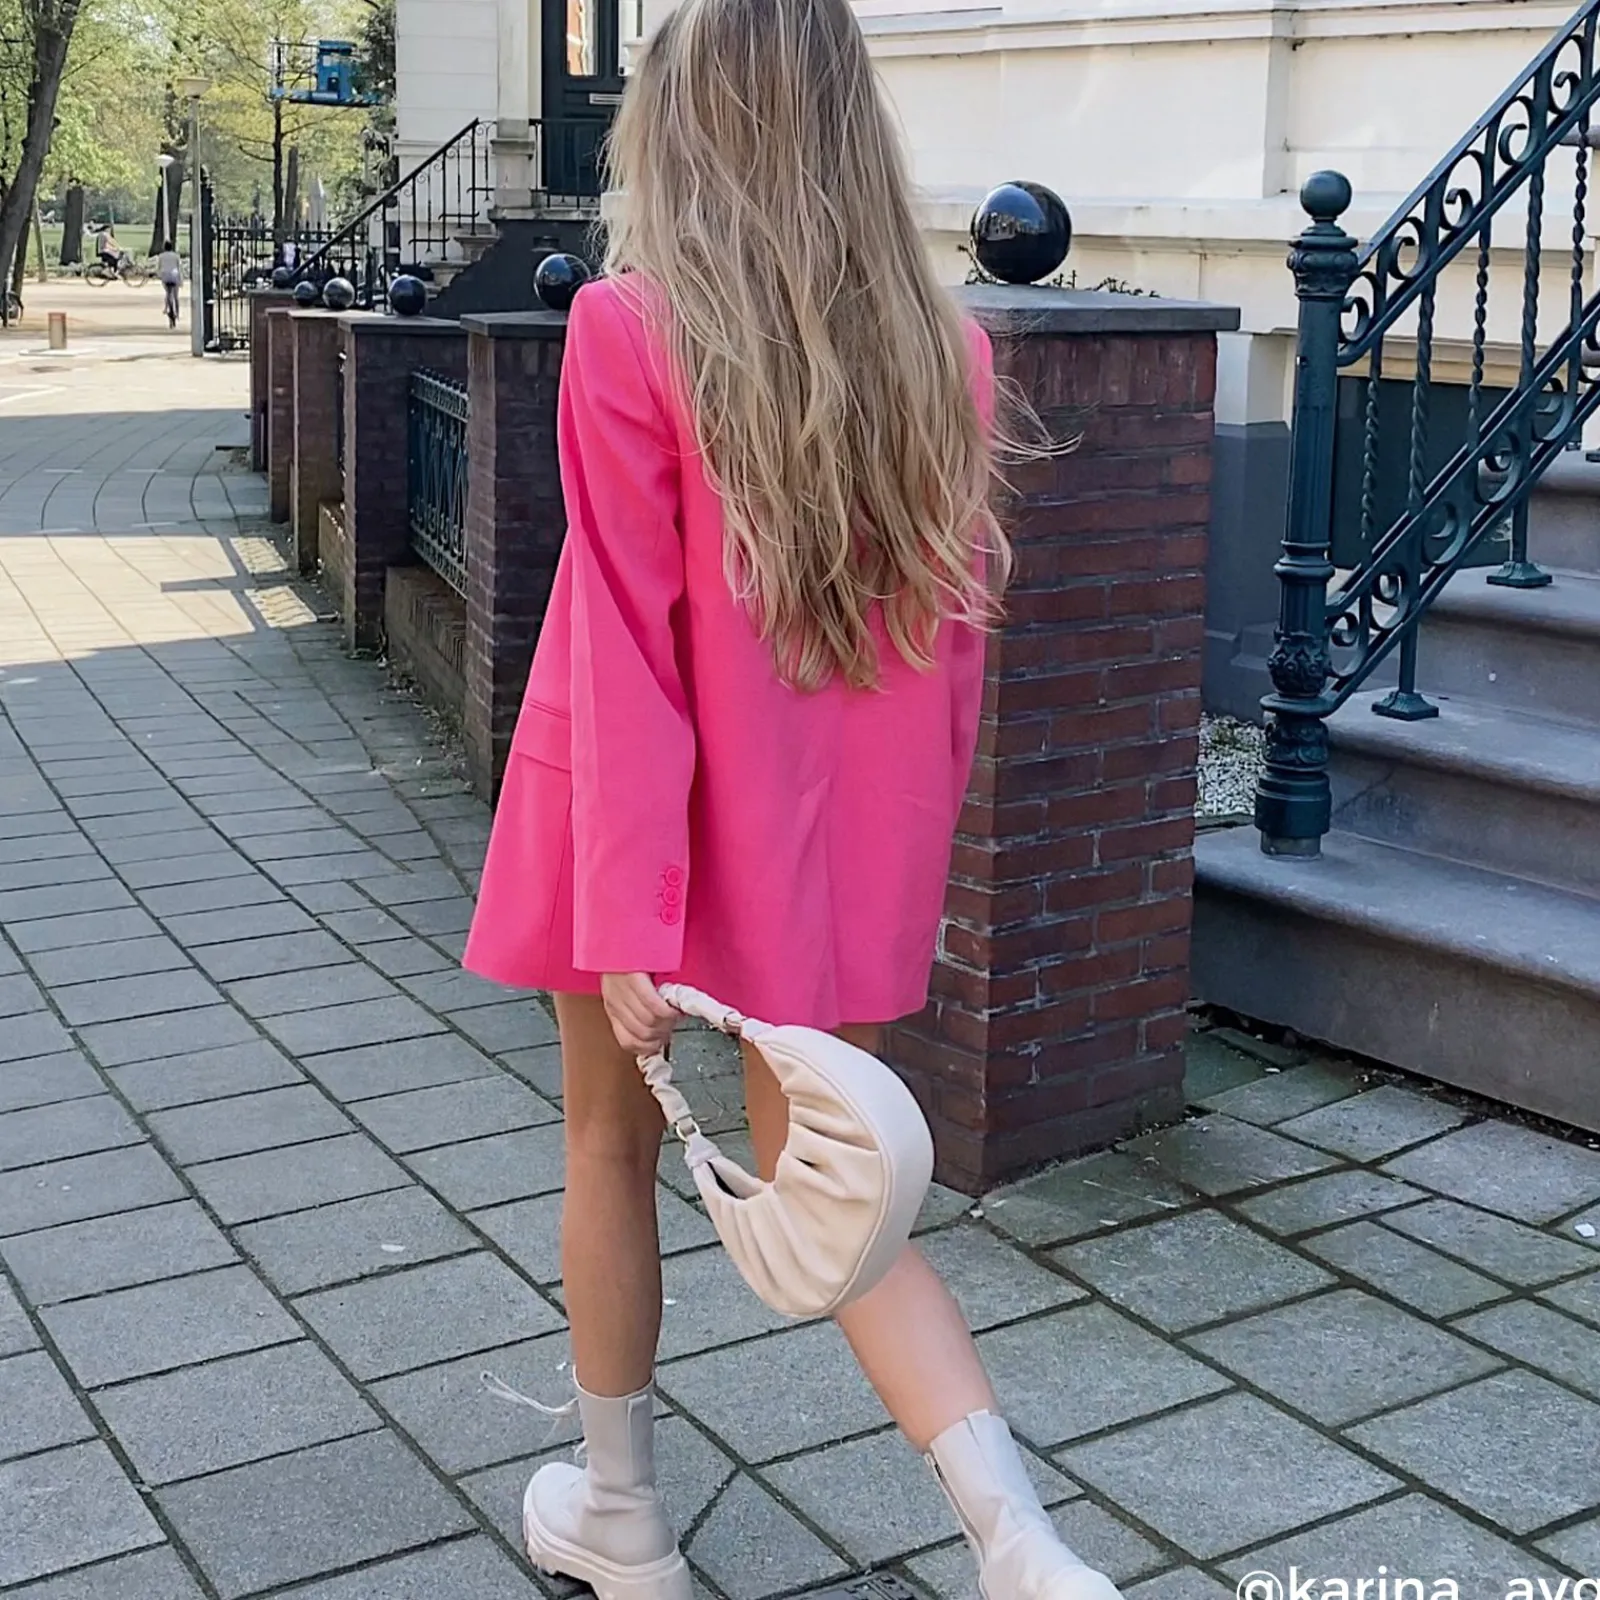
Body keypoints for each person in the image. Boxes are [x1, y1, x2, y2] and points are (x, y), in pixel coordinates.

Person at [462, 2, 1121, 1598]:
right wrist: (890, 896)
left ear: (687, 123)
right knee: (846, 1202)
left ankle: (621, 1515)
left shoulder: (630, 329)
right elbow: (946, 667)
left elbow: (627, 644)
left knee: (608, 1149)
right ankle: (1023, 1545)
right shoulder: (948, 353)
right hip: (830, 858)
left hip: (628, 823)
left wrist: (631, 912)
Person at [156, 241, 182, 328]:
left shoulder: (161, 256)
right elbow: (179, 268)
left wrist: (158, 275)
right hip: (174, 275)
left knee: (167, 293)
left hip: (165, 276)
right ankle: (177, 312)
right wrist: (181, 280)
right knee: (176, 296)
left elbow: (159, 268)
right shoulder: (176, 256)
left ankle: (166, 307)